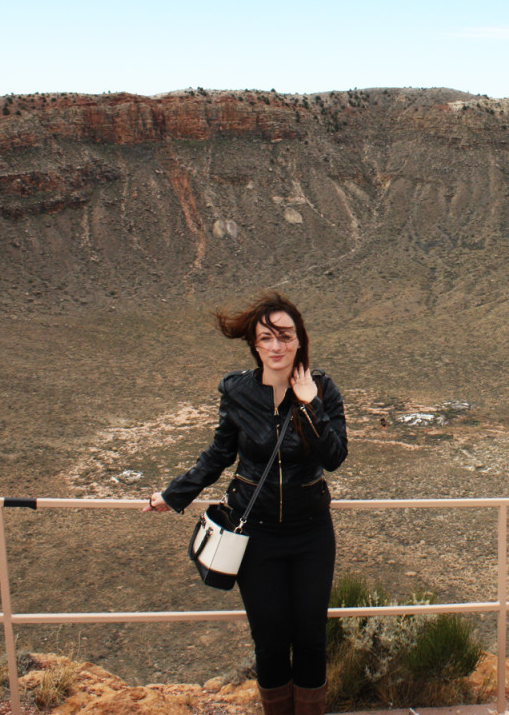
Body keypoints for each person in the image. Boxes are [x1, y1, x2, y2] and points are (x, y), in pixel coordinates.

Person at [143, 291, 347, 715]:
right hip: (256, 536)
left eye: (285, 336)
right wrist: (175, 494)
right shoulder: (237, 390)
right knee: (270, 640)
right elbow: (219, 453)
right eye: (266, 337)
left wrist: (309, 403)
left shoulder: (323, 388)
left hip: (311, 533)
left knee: (310, 638)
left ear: (300, 340)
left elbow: (334, 456)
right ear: (254, 344)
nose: (276, 346)